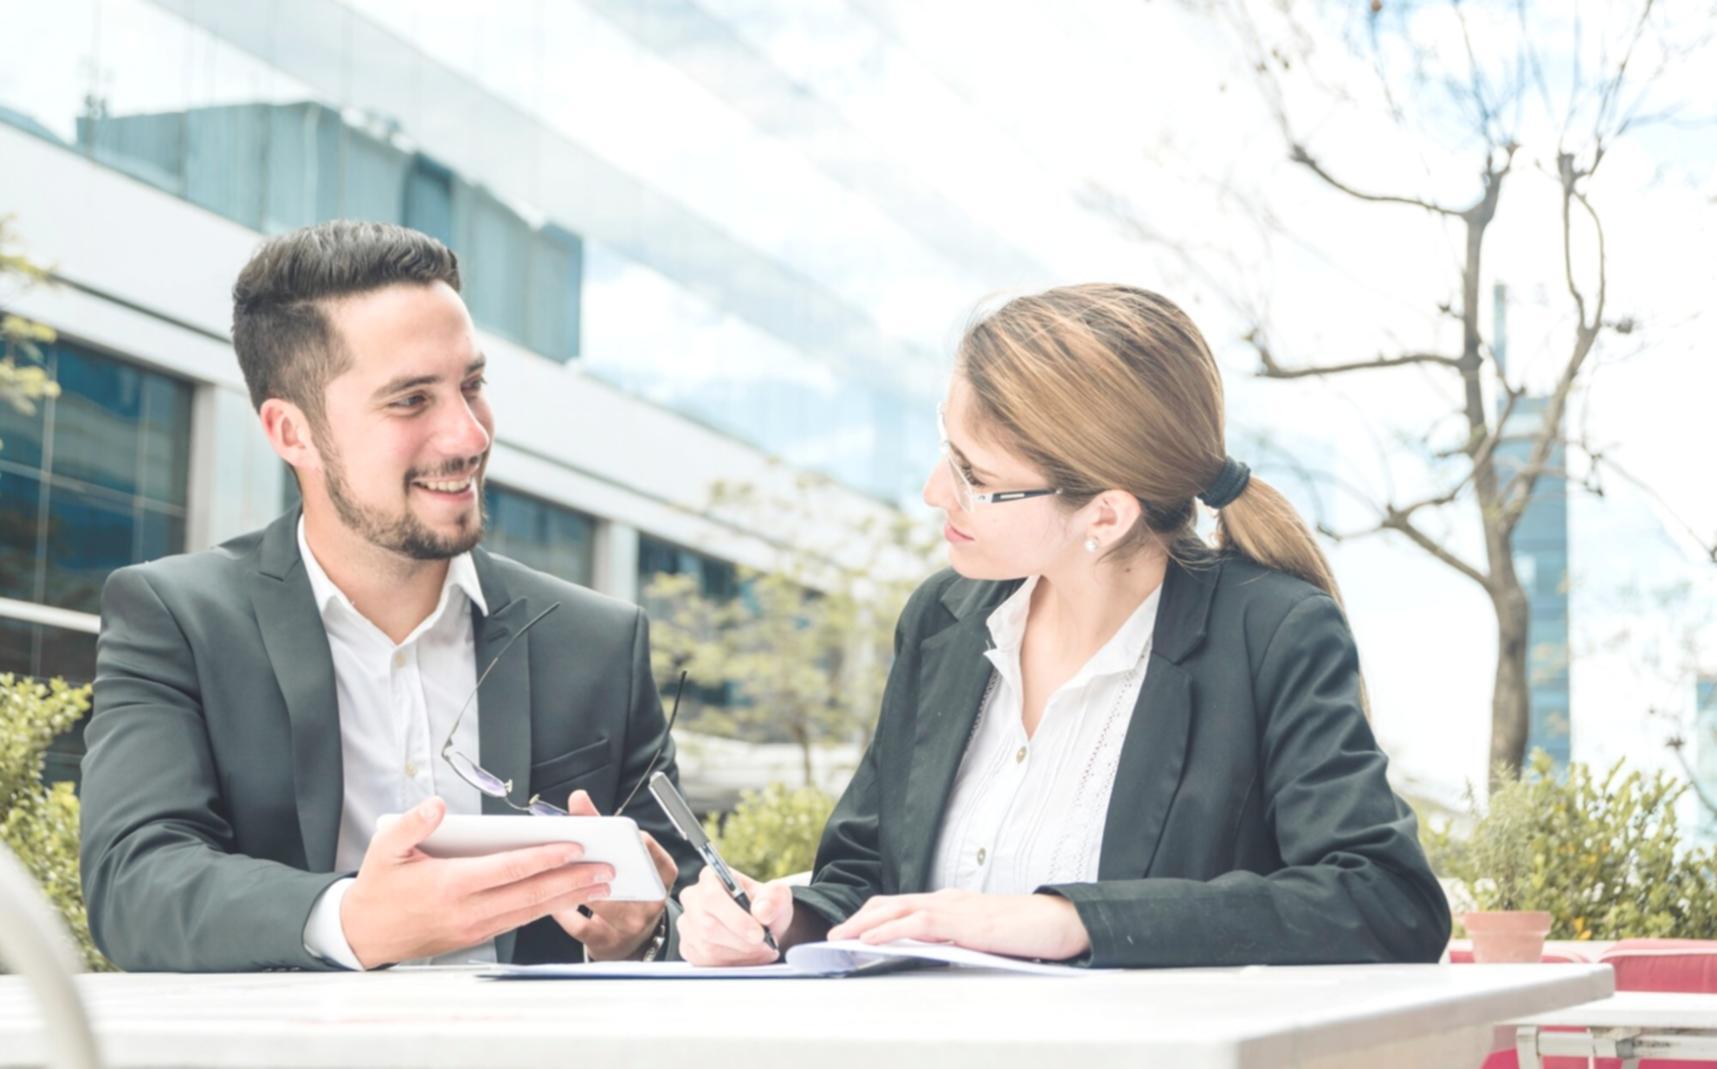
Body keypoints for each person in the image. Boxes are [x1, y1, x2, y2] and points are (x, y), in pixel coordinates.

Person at [677, 283, 1451, 968]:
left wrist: (1071, 918)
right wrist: (787, 917)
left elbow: (1385, 900)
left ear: (1105, 514)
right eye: (947, 450)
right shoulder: (942, 622)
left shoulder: (1271, 632)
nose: (932, 490)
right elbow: (866, 877)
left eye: (975, 475)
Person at [80, 220, 699, 971]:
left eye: (470, 385)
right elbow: (135, 881)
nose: (467, 435)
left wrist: (640, 930)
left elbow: (685, 890)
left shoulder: (596, 639)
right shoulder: (177, 617)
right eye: (410, 401)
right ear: (291, 431)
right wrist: (349, 919)